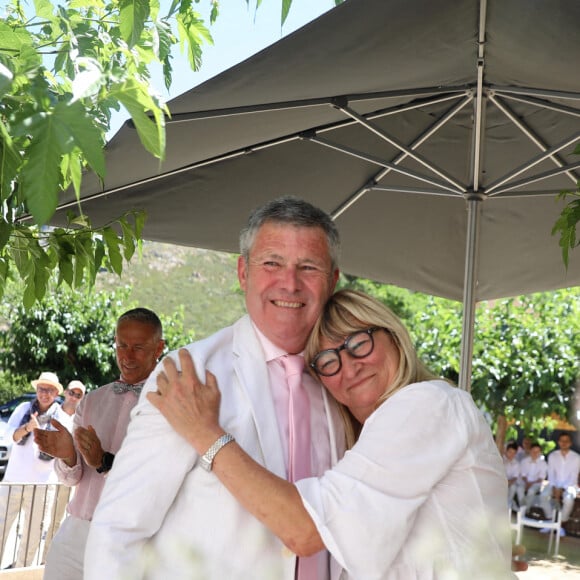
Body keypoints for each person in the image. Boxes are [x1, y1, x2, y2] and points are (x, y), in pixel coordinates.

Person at [149, 289, 514, 579]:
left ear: (394, 336)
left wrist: (206, 434)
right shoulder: (368, 441)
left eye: (358, 343)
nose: (349, 366)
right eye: (327, 360)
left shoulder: (426, 404)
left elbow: (305, 530)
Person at [85, 196, 344, 580]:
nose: (290, 283)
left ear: (332, 281)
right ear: (243, 273)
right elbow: (119, 528)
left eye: (308, 267)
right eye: (272, 263)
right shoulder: (189, 372)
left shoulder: (345, 379)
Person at [34, 308, 165, 580]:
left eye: (138, 347)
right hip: (75, 532)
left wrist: (105, 462)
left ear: (159, 348)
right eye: (121, 345)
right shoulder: (92, 400)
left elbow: (159, 480)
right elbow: (72, 479)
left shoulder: (169, 406)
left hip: (129, 540)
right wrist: (68, 455)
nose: (127, 356)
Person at [0, 372, 72, 569]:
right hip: (13, 481)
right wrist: (28, 428)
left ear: (56, 392)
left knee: (31, 537)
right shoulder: (24, 409)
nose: (44, 393)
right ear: (36, 390)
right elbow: (9, 437)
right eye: (41, 388)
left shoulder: (62, 420)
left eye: (49, 390)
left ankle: (20, 572)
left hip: (41, 485)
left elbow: (66, 451)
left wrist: (45, 436)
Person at [538, 432, 580, 533]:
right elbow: (551, 473)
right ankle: (550, 520)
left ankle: (561, 524)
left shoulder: (576, 458)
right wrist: (554, 487)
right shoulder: (553, 455)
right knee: (543, 495)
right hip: (553, 483)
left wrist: (562, 489)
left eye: (566, 441)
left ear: (570, 443)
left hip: (570, 485)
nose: (564, 443)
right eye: (562, 441)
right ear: (559, 442)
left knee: (569, 499)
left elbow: (574, 476)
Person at [519, 442, 548, 510]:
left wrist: (530, 484)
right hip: (524, 481)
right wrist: (527, 483)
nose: (535, 453)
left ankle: (526, 509)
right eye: (533, 451)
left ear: (540, 452)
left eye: (537, 451)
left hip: (536, 483)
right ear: (530, 451)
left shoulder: (543, 464)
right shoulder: (524, 461)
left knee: (531, 491)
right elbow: (523, 475)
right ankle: (521, 507)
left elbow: (541, 478)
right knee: (519, 489)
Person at [504, 442, 524, 509]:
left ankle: (509, 505)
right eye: (510, 452)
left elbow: (515, 477)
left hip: (510, 482)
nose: (511, 454)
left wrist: (508, 482)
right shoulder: (501, 459)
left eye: (514, 453)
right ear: (506, 451)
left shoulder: (517, 464)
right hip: (501, 481)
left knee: (513, 487)